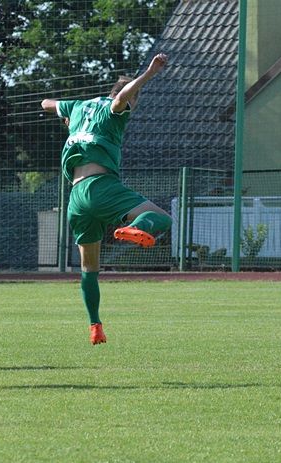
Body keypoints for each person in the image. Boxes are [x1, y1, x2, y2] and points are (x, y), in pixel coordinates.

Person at [41, 53, 173, 345]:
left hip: (75, 197)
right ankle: (136, 226)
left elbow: (45, 104)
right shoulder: (118, 108)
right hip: (100, 187)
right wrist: (150, 72)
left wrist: (67, 117)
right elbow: (121, 98)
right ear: (130, 98)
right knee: (162, 218)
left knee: (89, 268)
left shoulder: (78, 107)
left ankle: (95, 325)